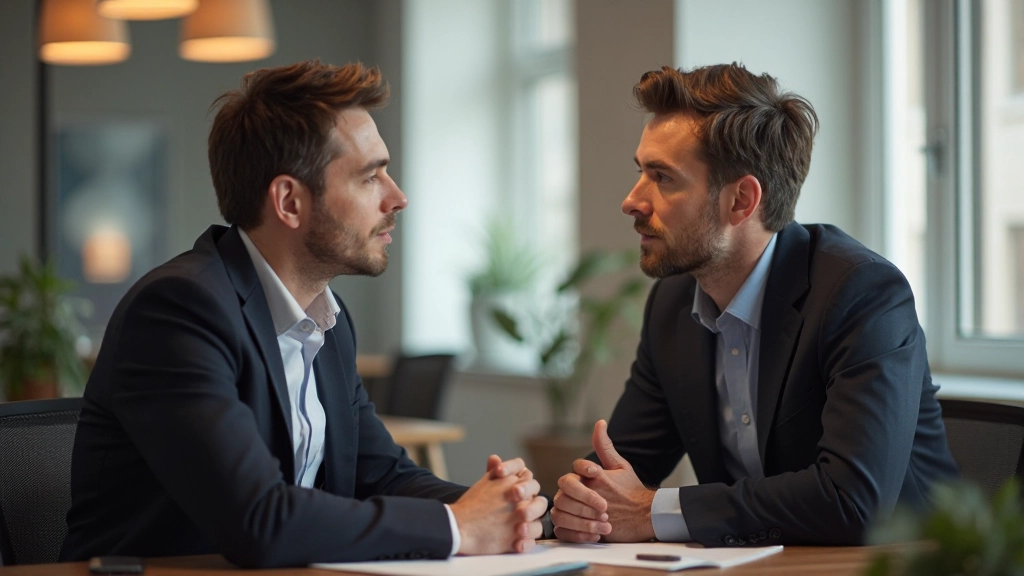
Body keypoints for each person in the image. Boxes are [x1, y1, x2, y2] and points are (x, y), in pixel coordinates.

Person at [60, 60, 546, 568]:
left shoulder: (327, 321)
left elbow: (381, 476)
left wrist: (517, 511)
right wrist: (459, 526)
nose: (397, 197)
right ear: (289, 201)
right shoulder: (178, 312)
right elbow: (258, 520)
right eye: (370, 176)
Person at [550, 64, 959, 547]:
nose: (632, 200)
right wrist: (579, 506)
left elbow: (854, 501)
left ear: (742, 200)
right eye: (640, 171)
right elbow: (619, 477)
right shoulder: (673, 304)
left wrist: (652, 510)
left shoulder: (862, 294)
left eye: (662, 177)